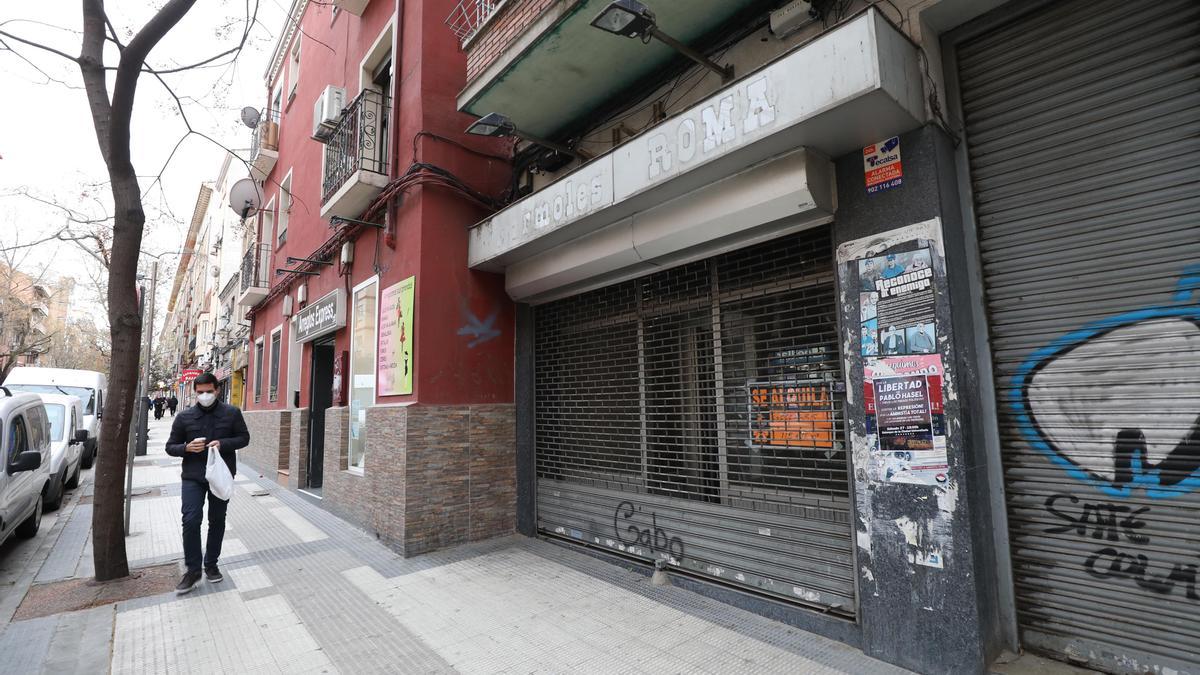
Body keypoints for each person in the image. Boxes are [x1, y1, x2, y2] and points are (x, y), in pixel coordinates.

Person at [165, 372, 250, 595]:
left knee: (217, 520)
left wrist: (222, 443)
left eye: (209, 392)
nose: (204, 396)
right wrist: (185, 448)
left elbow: (244, 438)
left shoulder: (232, 413)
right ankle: (193, 569)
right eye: (200, 392)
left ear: (217, 390)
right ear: (195, 392)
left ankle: (211, 564)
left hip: (221, 476)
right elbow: (170, 446)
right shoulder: (184, 417)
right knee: (191, 520)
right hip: (193, 476)